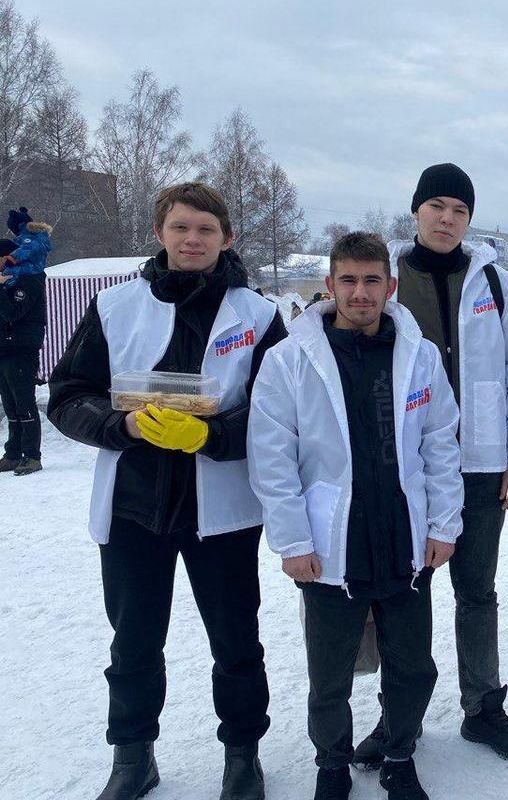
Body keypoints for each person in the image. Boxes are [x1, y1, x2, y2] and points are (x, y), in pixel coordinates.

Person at [47, 182, 286, 800]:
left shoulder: (258, 315)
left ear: (227, 238)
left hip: (223, 512)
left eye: (206, 230)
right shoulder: (115, 305)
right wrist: (119, 425)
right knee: (133, 642)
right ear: (160, 233)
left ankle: (242, 755)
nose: (192, 239)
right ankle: (132, 756)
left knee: (236, 641)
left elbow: (278, 414)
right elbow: (68, 394)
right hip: (134, 507)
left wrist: (210, 436)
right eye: (180, 228)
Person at [249, 232, 462, 800]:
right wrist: (292, 541)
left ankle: (398, 753)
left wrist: (444, 524)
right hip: (330, 543)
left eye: (372, 281)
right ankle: (332, 765)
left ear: (390, 286)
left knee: (413, 666)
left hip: (404, 538)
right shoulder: (290, 361)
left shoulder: (417, 356)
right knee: (330, 674)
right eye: (349, 280)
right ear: (330, 285)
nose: (360, 292)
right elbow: (274, 463)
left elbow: (441, 443)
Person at [351, 162, 508, 766]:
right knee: (402, 596)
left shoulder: (495, 284)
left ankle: (482, 707)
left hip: (484, 466)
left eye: (459, 210)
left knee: (477, 591)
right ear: (415, 212)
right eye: (436, 206)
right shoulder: (390, 280)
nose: (446, 218)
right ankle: (396, 716)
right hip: (407, 471)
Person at [0, 239, 47, 476]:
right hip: (4, 349)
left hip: (20, 349)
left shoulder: (29, 279)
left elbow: (13, 312)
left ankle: (31, 455)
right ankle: (13, 453)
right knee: (10, 404)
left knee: (23, 403)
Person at [1, 206, 53, 283]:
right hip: (35, 271)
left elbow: (27, 248)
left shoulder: (28, 238)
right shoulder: (36, 236)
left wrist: (12, 258)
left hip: (31, 271)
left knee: (8, 272)